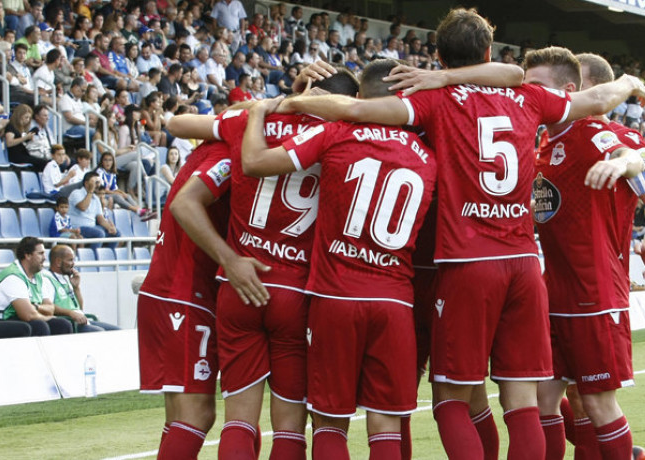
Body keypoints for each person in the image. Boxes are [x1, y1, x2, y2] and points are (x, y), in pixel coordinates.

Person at [275, 9, 645, 459]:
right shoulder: (525, 96)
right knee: (519, 401)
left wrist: (289, 100)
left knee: (420, 403)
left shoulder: (428, 101)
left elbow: (352, 107)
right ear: (487, 52)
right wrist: (628, 82)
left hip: (427, 271)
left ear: (436, 56)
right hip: (517, 264)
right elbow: (571, 92)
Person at [240, 59, 436, 459]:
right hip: (395, 300)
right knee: (386, 424)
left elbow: (256, 163)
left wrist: (276, 105)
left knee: (330, 421)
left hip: (335, 298)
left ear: (358, 99)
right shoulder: (429, 157)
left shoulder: (336, 133)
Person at [167, 65, 359, 460]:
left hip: (239, 282)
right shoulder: (342, 134)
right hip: (296, 288)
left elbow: (176, 123)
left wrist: (264, 106)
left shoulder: (253, 119)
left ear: (307, 88)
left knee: (239, 420)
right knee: (289, 426)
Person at [527, 48, 645, 460]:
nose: (529, 95)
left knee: (596, 402)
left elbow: (632, 154)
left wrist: (626, 164)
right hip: (553, 294)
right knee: (541, 399)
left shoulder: (598, 134)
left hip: (595, 295)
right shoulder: (543, 145)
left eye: (537, 87)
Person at [136, 141, 236, 458]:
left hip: (163, 291)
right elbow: (184, 205)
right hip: (186, 296)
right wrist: (230, 259)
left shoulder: (200, 153)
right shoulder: (224, 158)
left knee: (179, 415)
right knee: (199, 414)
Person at [0, 237, 73, 336]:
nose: (44, 257)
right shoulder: (13, 277)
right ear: (27, 255)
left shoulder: (39, 276)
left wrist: (35, 307)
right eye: (40, 253)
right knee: (39, 325)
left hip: (17, 318)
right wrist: (46, 316)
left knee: (62, 324)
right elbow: (28, 315)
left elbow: (50, 309)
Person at [45, 244, 120, 332]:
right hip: (69, 323)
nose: (73, 264)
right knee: (99, 333)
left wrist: (76, 288)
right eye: (70, 260)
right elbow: (48, 306)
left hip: (81, 321)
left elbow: (80, 308)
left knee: (118, 331)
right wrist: (71, 313)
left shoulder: (66, 277)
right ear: (58, 262)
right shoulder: (47, 278)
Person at [68, 172, 120, 249]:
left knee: (116, 233)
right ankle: (94, 257)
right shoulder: (76, 193)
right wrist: (90, 191)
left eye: (98, 182)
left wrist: (109, 227)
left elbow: (100, 218)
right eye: (95, 182)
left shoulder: (95, 198)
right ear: (86, 183)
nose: (97, 185)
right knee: (99, 233)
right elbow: (83, 207)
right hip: (77, 228)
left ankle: (108, 256)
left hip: (92, 227)